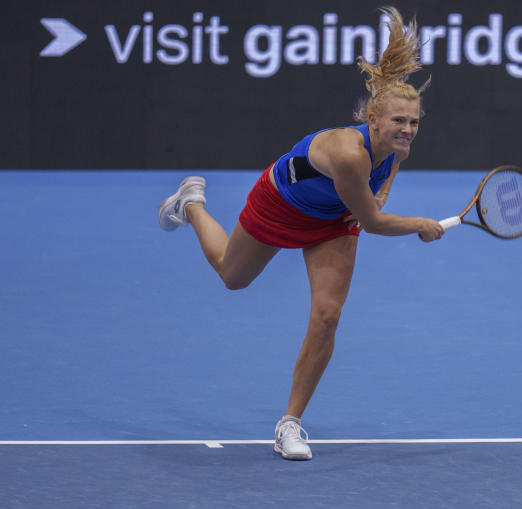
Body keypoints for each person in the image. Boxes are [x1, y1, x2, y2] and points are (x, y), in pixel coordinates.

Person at [157, 7, 443, 461]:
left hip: (334, 220)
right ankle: (191, 204)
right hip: (281, 203)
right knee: (232, 277)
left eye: (414, 123)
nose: (407, 130)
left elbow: (382, 185)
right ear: (372, 120)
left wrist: (378, 194)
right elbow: (373, 223)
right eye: (398, 122)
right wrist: (420, 225)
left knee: (328, 315)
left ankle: (290, 423)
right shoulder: (349, 154)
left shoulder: (396, 148)